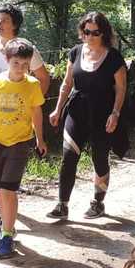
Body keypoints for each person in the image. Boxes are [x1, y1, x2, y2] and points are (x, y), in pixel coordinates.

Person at [47, 11, 127, 220]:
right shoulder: (75, 52)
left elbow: (121, 89)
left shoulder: (114, 57)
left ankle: (98, 202)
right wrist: (57, 108)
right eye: (86, 31)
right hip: (77, 110)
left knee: (99, 159)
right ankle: (62, 204)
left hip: (103, 113)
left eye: (95, 32)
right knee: (68, 156)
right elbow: (67, 83)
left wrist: (115, 113)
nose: (89, 36)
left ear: (104, 33)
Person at [0, 4, 51, 232]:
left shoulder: (26, 48)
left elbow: (43, 77)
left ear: (15, 24)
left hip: (18, 125)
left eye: (5, 21)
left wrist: (30, 101)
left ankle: (4, 222)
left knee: (8, 184)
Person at [0, 38, 49, 259]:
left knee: (9, 189)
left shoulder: (32, 85)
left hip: (20, 143)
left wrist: (40, 139)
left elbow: (36, 112)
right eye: (16, 63)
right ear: (7, 60)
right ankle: (8, 225)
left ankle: (6, 236)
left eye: (25, 64)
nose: (21, 68)